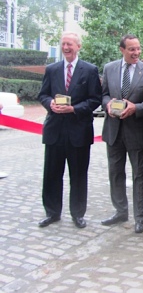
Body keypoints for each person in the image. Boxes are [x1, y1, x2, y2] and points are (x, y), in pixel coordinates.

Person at [37, 31, 102, 229]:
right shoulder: (52, 69)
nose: (66, 48)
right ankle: (52, 212)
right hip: (55, 130)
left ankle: (78, 214)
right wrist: (51, 105)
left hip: (78, 132)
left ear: (78, 47)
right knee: (51, 174)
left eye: (70, 44)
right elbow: (43, 95)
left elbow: (95, 100)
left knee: (78, 175)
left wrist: (74, 108)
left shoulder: (89, 70)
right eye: (63, 44)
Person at [101, 34, 143, 234]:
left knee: (140, 175)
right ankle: (120, 211)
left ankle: (140, 217)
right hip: (113, 130)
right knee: (115, 173)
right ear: (122, 50)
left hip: (137, 132)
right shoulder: (109, 69)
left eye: (138, 48)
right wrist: (107, 103)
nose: (136, 53)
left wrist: (137, 108)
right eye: (132, 49)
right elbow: (104, 93)